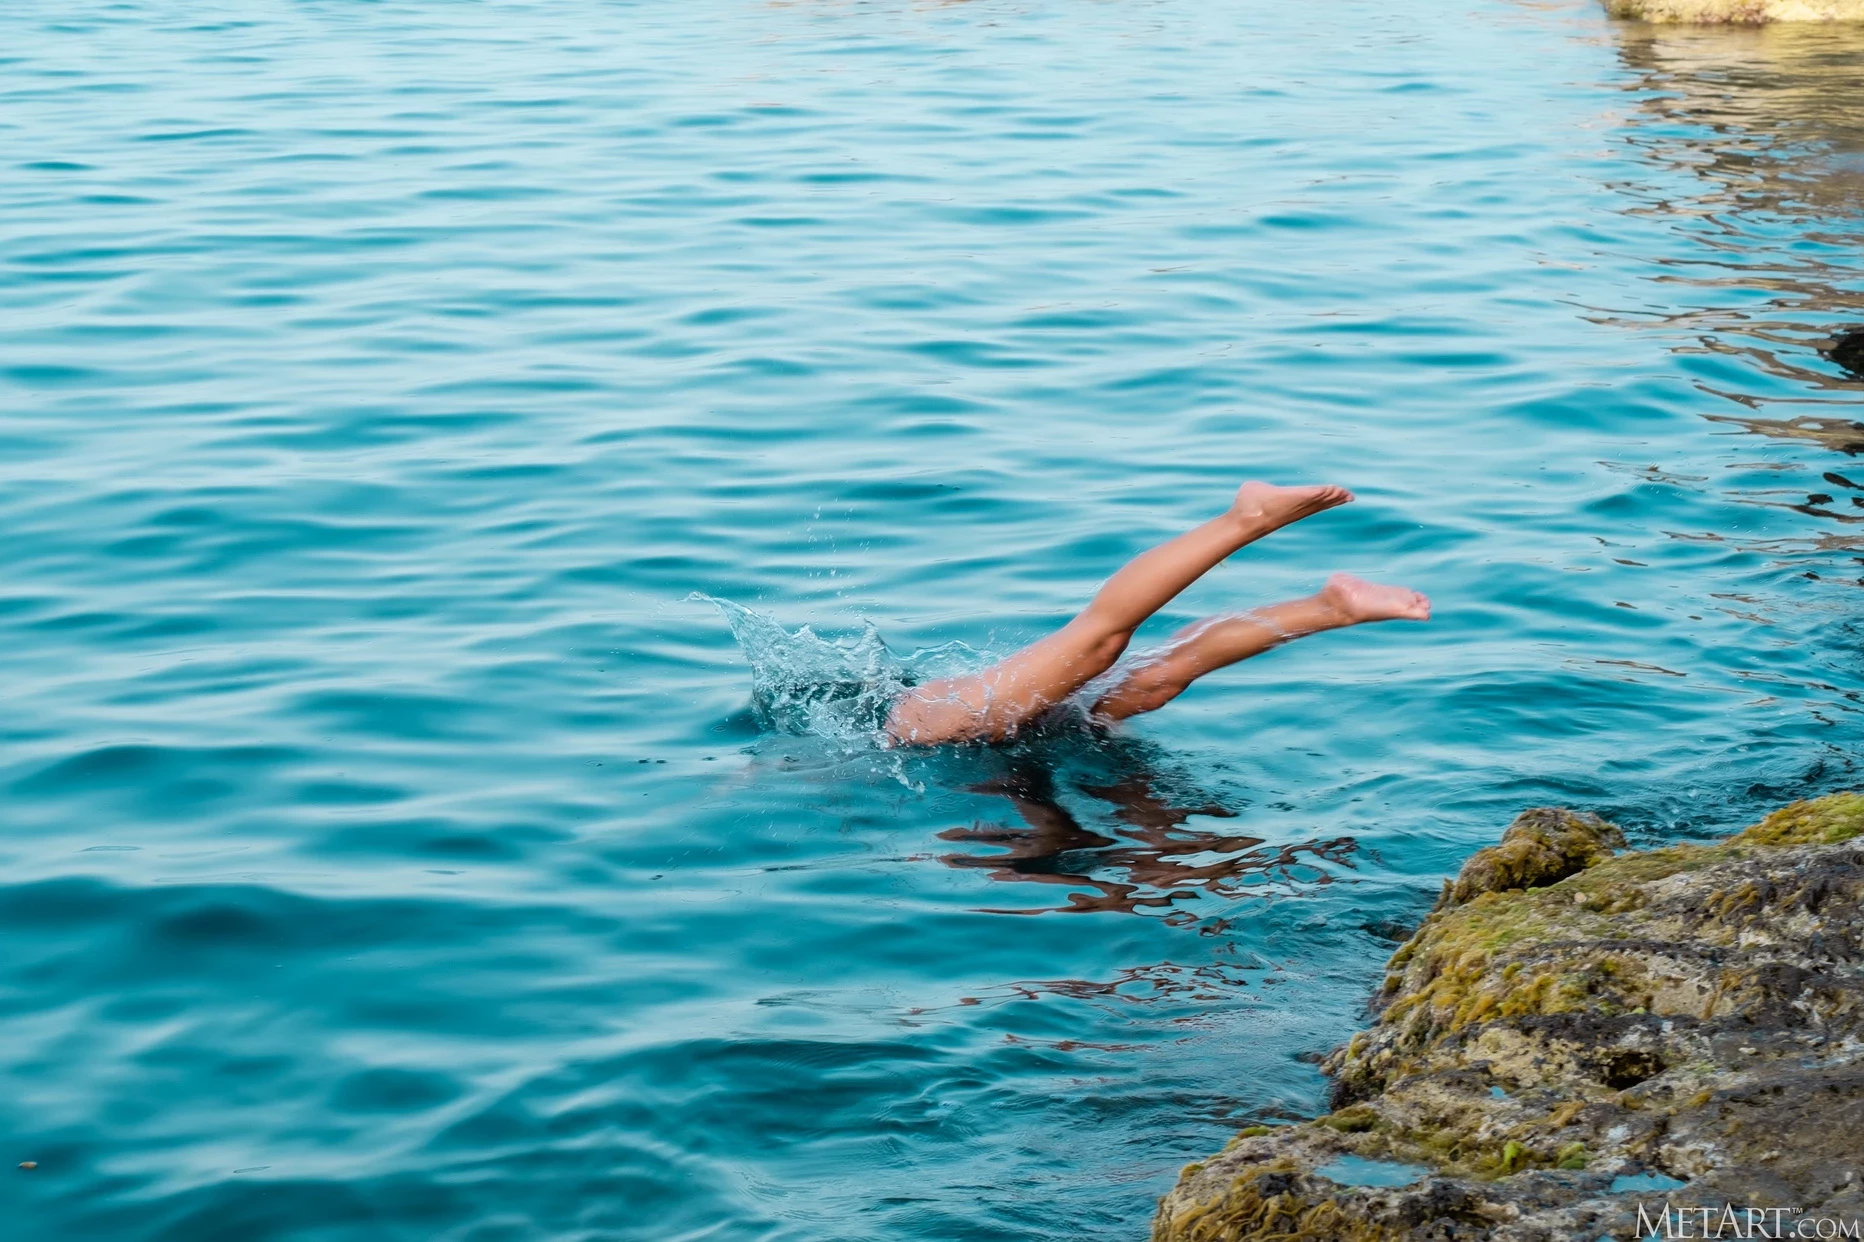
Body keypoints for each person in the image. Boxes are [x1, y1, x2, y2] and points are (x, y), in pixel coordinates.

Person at [882, 482, 1429, 746]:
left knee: (1097, 642)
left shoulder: (922, 721)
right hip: (1028, 746)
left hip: (919, 726)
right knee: (1156, 679)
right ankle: (1329, 608)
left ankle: (1246, 519)